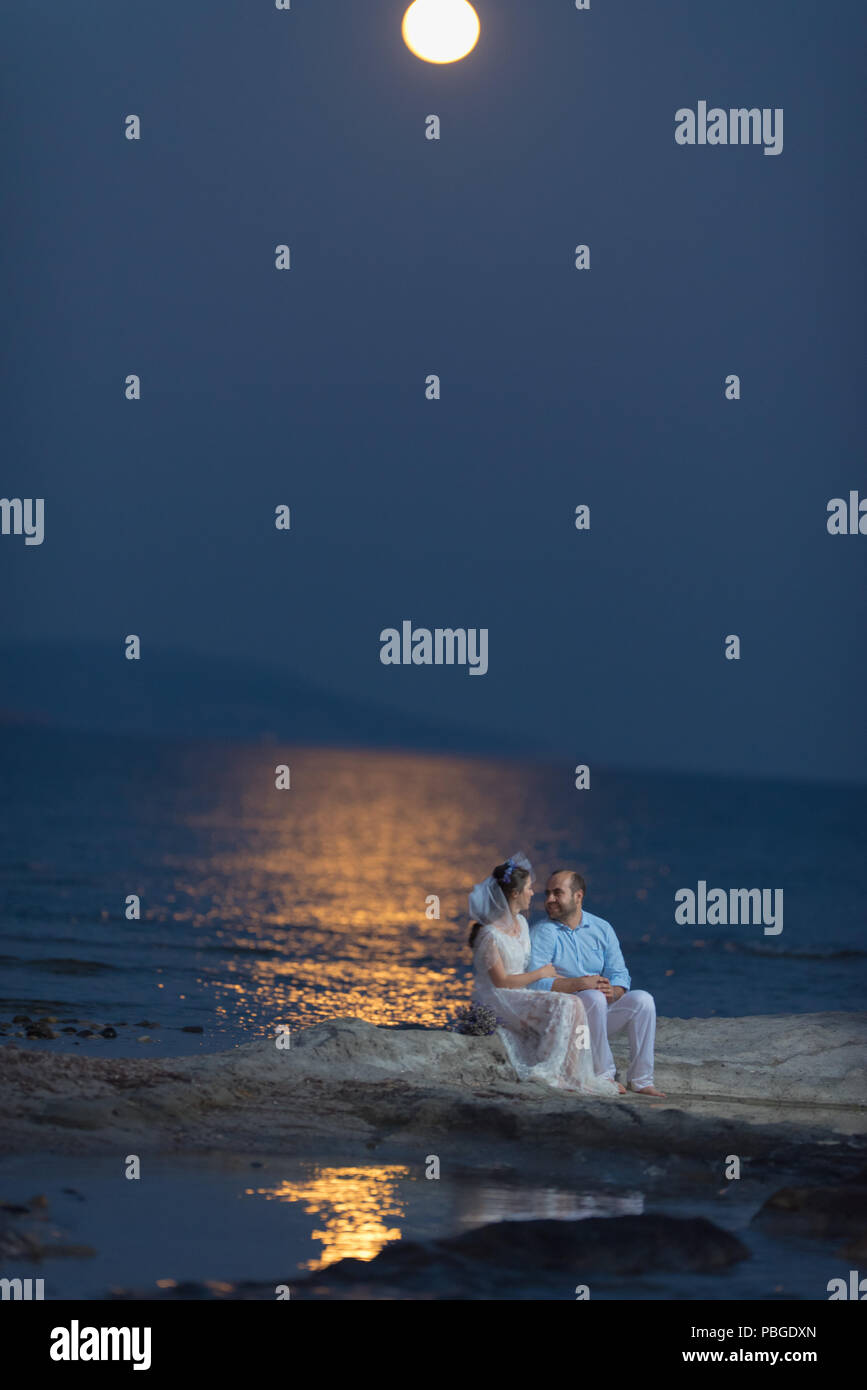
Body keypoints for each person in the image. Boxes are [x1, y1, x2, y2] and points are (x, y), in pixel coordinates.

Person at [468, 854, 620, 1096]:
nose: (533, 893)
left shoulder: (522, 923)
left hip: (521, 992)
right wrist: (541, 973)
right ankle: (554, 1069)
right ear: (515, 894)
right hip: (501, 997)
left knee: (574, 1003)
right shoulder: (489, 935)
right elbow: (501, 981)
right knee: (568, 1003)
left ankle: (575, 1071)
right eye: (529, 888)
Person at [527, 870, 665, 1096]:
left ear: (578, 896)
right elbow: (533, 984)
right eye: (548, 893)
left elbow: (619, 972)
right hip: (563, 1022)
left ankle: (641, 1080)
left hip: (596, 1016)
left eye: (557, 893)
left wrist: (615, 990)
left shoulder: (602, 928)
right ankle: (602, 1076)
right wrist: (580, 984)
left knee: (643, 1000)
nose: (549, 899)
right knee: (591, 997)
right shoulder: (542, 933)